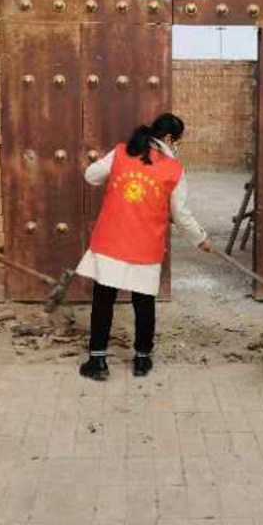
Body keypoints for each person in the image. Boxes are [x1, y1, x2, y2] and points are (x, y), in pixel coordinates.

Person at [76, 113, 212, 380]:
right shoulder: (174, 170)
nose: (178, 147)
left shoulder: (121, 152)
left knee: (103, 300)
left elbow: (91, 176)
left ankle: (97, 362)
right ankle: (141, 360)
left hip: (111, 241)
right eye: (178, 142)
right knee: (144, 302)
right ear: (169, 139)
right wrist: (201, 239)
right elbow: (181, 216)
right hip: (145, 245)